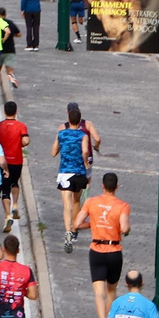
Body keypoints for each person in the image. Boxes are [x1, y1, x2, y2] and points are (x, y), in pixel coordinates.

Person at [72, 171, 131, 318]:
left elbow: (76, 224)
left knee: (99, 293)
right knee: (111, 291)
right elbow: (124, 228)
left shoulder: (91, 202)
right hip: (114, 252)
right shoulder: (122, 206)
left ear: (103, 186)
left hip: (96, 251)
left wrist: (93, 224)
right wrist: (122, 228)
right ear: (116, 187)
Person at [57, 105, 99, 252]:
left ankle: (68, 231)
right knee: (76, 201)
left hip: (65, 173)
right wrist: (85, 161)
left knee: (66, 205)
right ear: (79, 119)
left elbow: (53, 152)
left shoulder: (61, 132)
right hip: (80, 173)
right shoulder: (83, 135)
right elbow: (85, 151)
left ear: (68, 117)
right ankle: (75, 230)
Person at [0, 101, 30, 233]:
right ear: (16, 111)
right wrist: (20, 144)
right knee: (15, 183)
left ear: (4, 111)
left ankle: (7, 215)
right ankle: (15, 205)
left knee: (4, 189)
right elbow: (25, 141)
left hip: (3, 161)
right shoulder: (21, 126)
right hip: (17, 161)